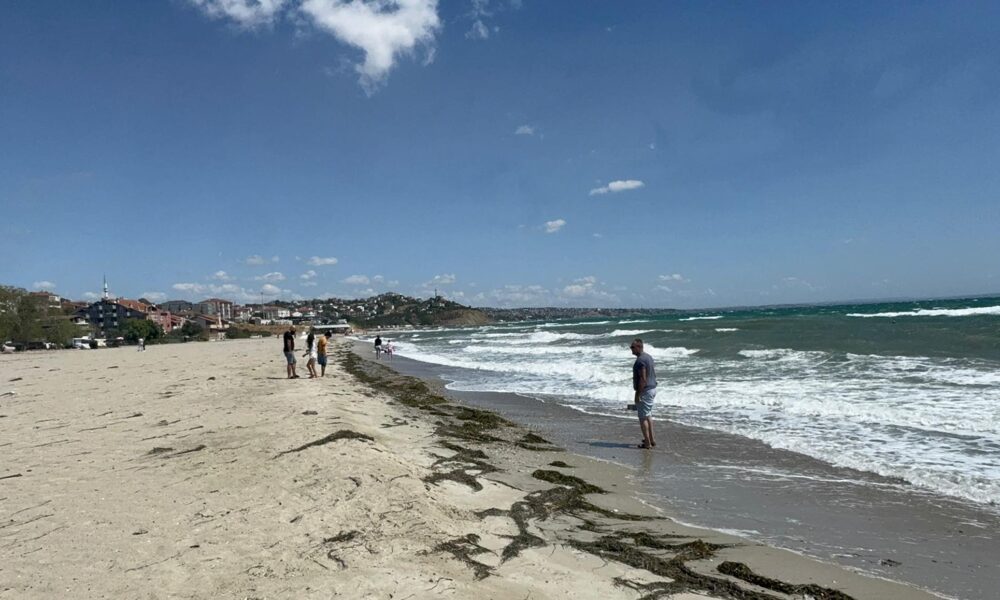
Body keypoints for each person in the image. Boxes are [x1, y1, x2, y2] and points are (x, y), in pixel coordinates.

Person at [630, 338, 657, 449]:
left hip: (645, 391)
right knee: (648, 415)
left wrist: (638, 394)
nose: (631, 349)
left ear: (639, 347)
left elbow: (643, 378)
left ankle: (647, 443)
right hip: (652, 389)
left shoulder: (640, 360)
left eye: (632, 347)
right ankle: (651, 439)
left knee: (642, 418)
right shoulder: (648, 357)